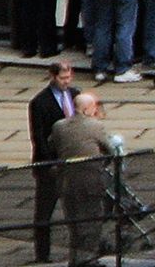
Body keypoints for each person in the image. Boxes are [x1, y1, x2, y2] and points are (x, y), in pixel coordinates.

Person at [48, 91, 114, 267]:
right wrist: (102, 163)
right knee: (92, 221)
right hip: (89, 181)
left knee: (74, 222)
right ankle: (87, 260)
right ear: (86, 110)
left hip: (66, 181)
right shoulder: (95, 126)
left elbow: (52, 145)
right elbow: (110, 151)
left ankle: (75, 259)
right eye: (94, 107)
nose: (96, 111)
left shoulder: (59, 126)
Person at [29, 61, 79, 263]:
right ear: (52, 76)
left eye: (68, 77)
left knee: (78, 211)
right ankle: (42, 255)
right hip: (50, 165)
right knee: (44, 212)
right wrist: (50, 163)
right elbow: (38, 137)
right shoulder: (39, 102)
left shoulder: (75, 95)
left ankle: (79, 253)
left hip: (73, 161)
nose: (66, 82)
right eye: (62, 78)